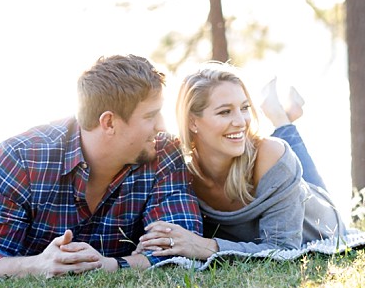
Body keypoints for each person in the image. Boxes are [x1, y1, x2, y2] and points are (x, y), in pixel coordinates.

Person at [0, 54, 202, 277]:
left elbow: (180, 251)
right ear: (109, 123)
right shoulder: (20, 158)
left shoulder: (163, 152)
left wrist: (110, 265)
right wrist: (38, 265)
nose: (162, 126)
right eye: (150, 116)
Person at [137, 62, 346, 261]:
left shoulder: (272, 157)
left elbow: (283, 250)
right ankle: (283, 116)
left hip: (322, 219)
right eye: (225, 112)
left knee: (291, 162)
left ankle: (280, 118)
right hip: (285, 183)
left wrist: (205, 246)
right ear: (192, 121)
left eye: (244, 108)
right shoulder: (179, 168)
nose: (241, 122)